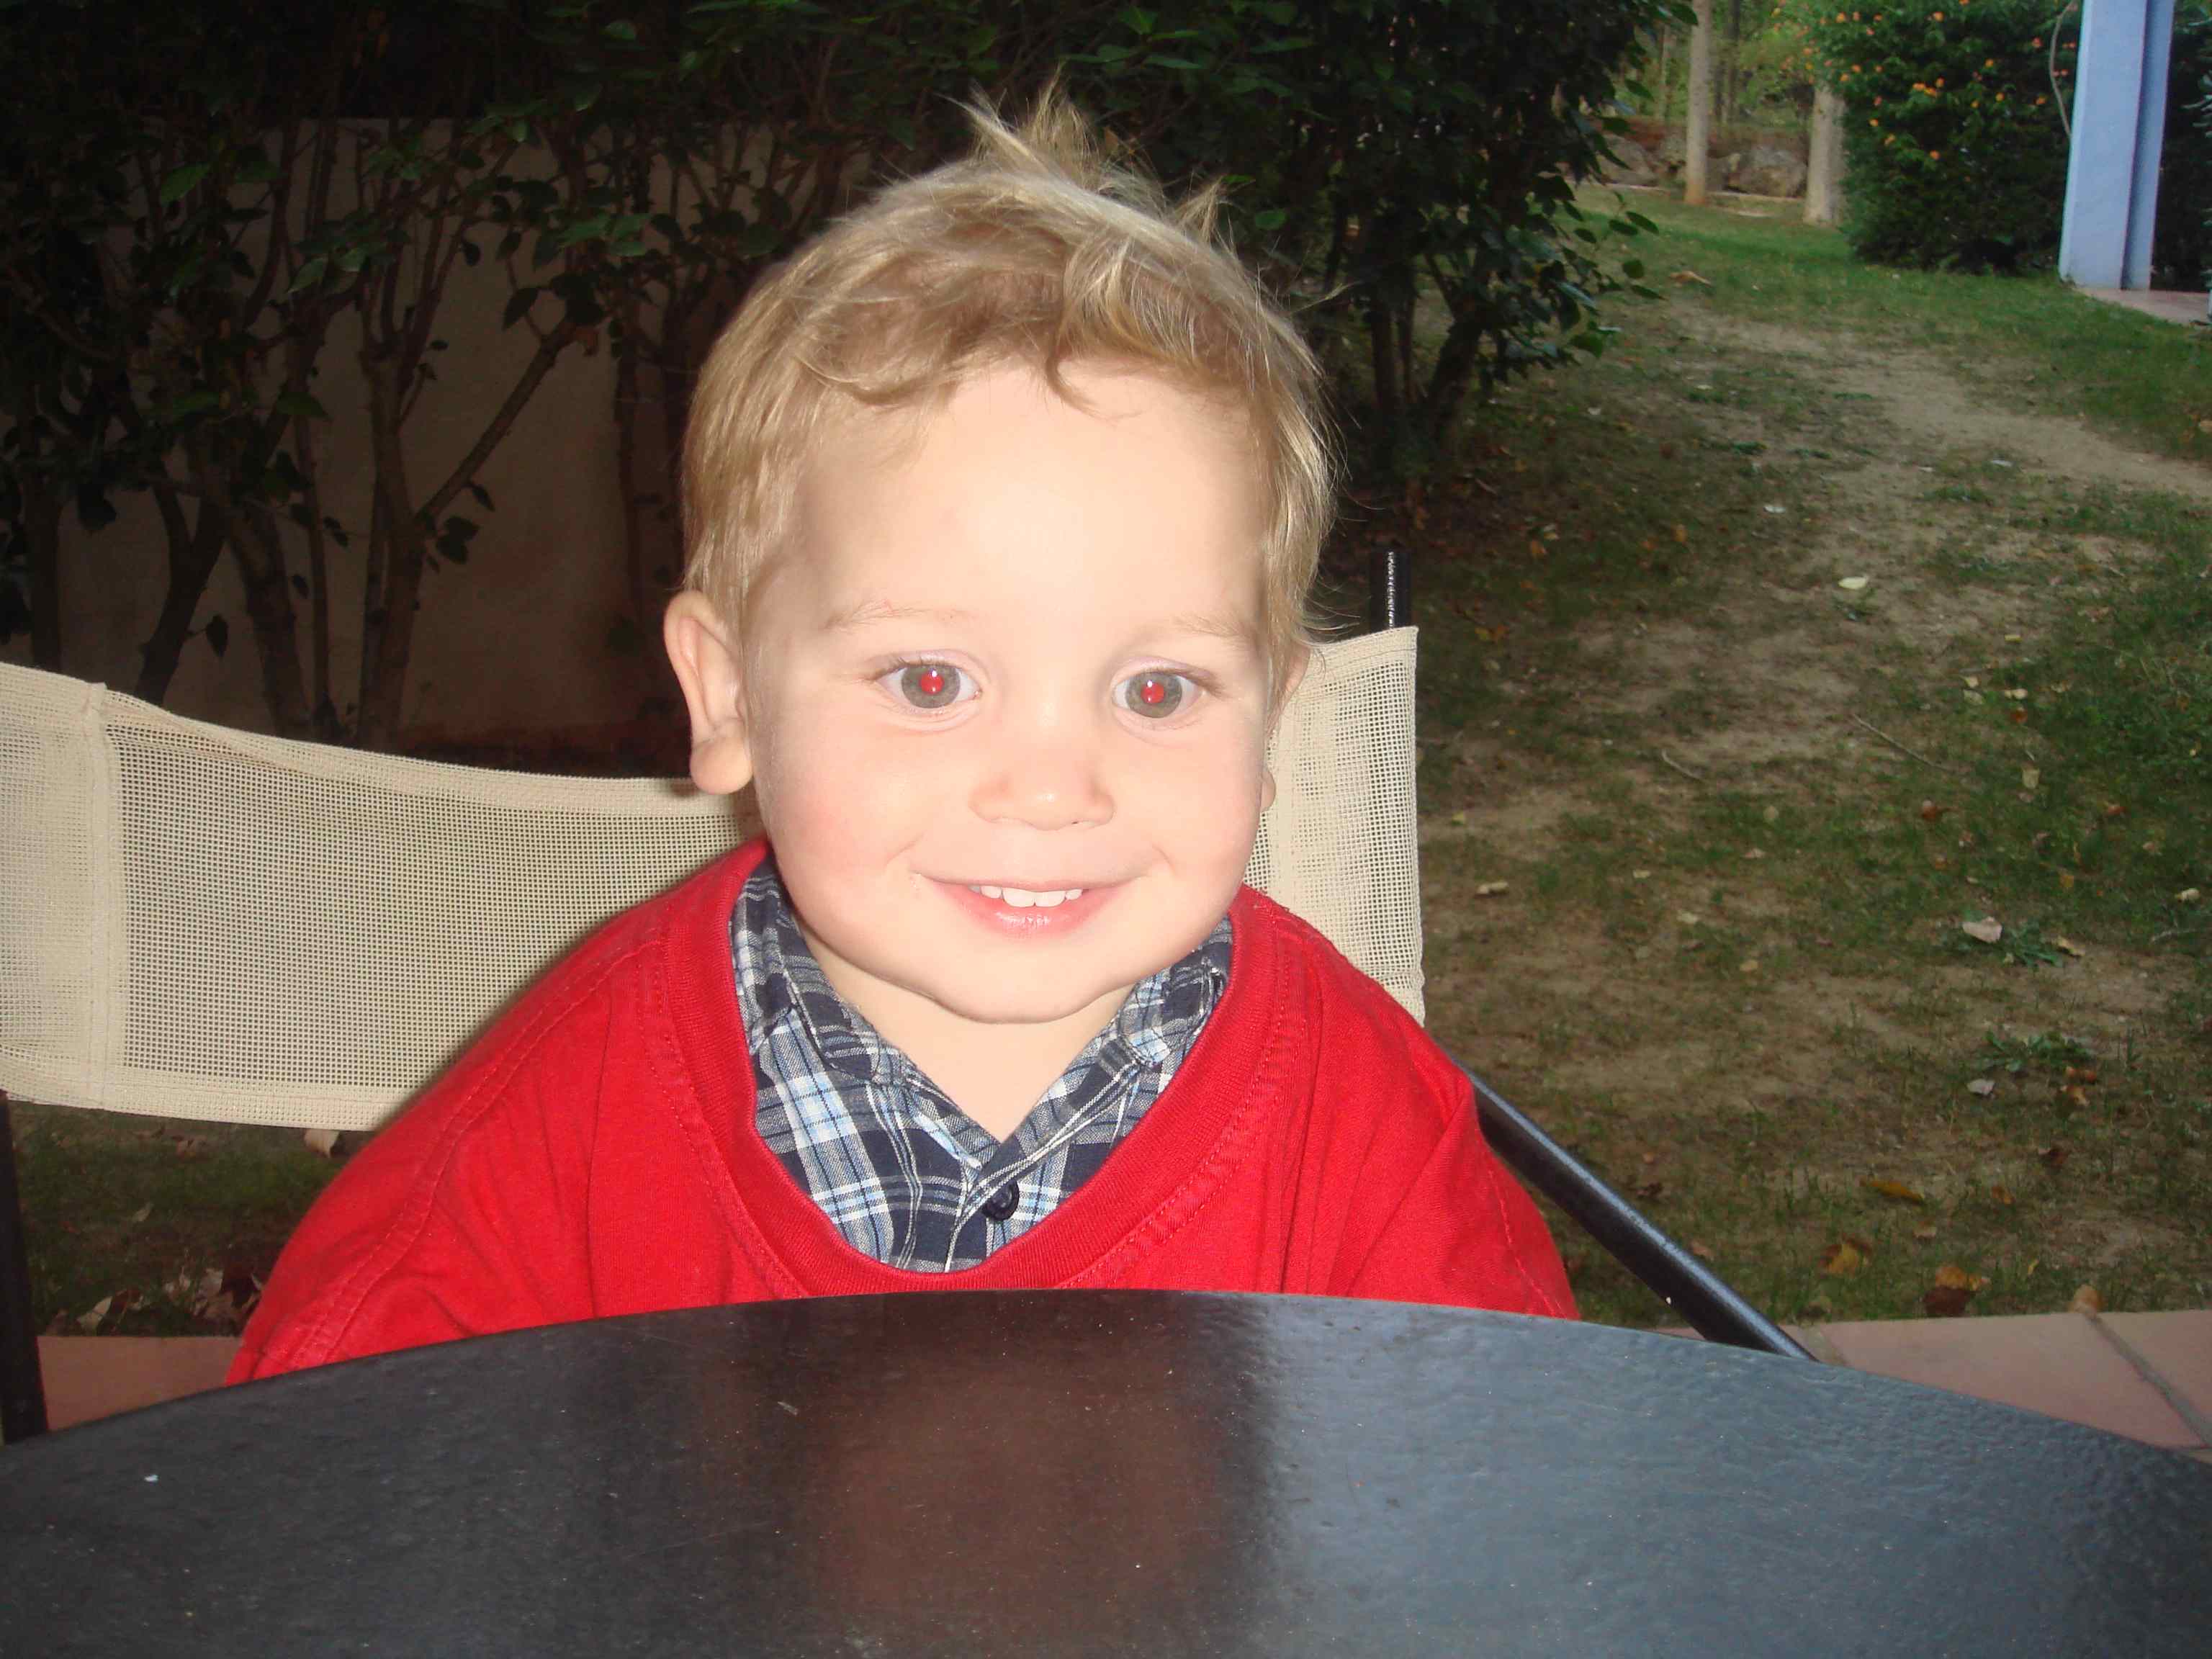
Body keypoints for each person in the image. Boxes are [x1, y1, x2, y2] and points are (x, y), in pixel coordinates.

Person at [229, 86, 1572, 1382]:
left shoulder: (1363, 1118)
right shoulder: (550, 1133)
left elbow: (1519, 1474)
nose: (1051, 789)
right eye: (931, 681)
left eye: (1157, 691)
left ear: (1273, 711)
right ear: (729, 695)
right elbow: (324, 1464)